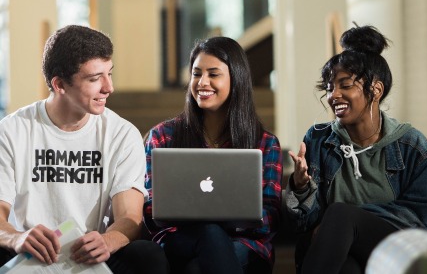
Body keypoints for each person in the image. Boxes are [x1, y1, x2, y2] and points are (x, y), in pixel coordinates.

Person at [0, 25, 169, 273]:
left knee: (147, 255)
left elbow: (130, 217)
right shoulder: (13, 130)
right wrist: (16, 238)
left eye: (109, 73)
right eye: (94, 79)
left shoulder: (122, 134)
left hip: (92, 252)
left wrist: (107, 241)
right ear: (59, 84)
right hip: (34, 253)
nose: (108, 87)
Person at [284, 25, 427, 274]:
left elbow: (422, 217)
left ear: (376, 90)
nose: (334, 95)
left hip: (397, 251)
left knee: (341, 215)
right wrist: (300, 188)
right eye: (330, 87)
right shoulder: (319, 140)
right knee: (347, 268)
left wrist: (351, 221)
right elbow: (304, 224)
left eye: (345, 85)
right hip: (340, 255)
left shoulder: (411, 144)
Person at [143, 36, 283, 274]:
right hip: (180, 241)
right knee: (208, 233)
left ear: (235, 78)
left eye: (213, 74)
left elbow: (270, 216)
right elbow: (150, 210)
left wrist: (225, 221)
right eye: (196, 74)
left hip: (244, 244)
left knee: (198, 267)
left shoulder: (265, 143)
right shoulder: (162, 137)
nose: (202, 82)